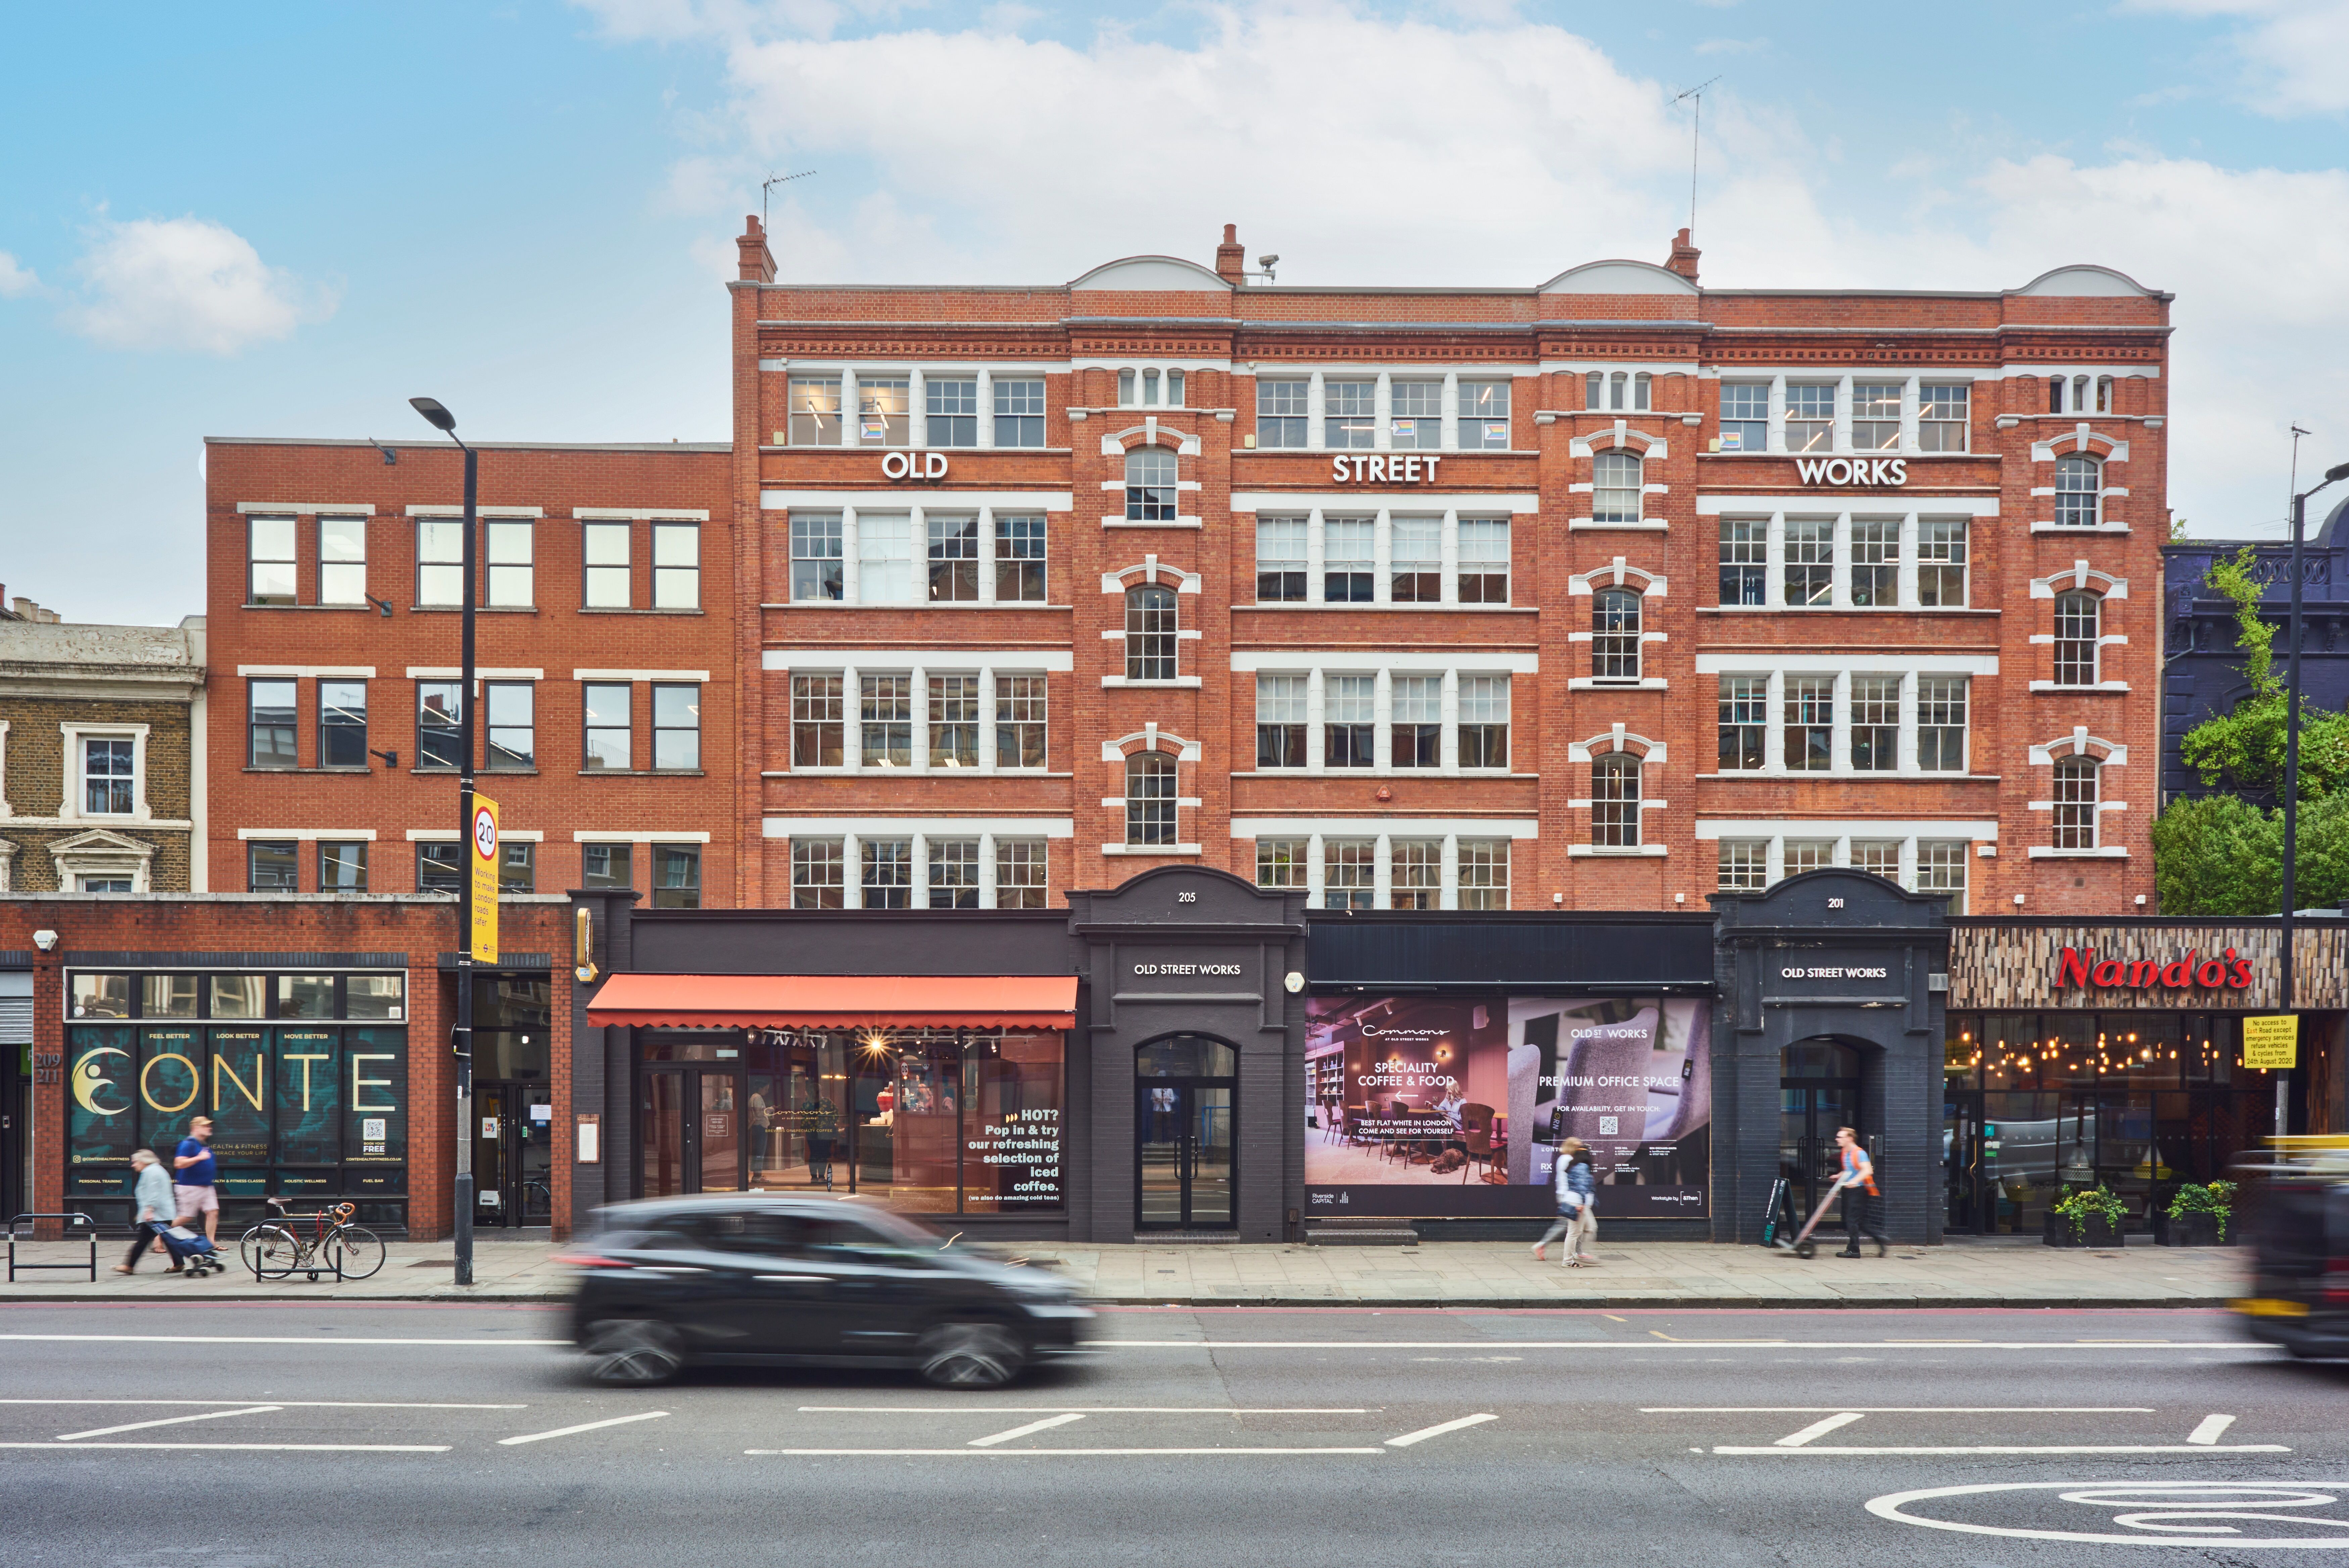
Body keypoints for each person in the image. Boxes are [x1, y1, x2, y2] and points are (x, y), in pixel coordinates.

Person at [1532, 1136, 1597, 1266]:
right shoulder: (1571, 1160)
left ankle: (1576, 1253)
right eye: (1578, 1146)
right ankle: (1562, 1254)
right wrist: (1580, 1202)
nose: (1580, 1148)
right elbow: (1579, 1183)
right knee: (1571, 1228)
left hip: (1570, 1196)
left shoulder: (1566, 1159)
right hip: (1572, 1197)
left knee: (1576, 1228)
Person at [115, 1149, 178, 1275]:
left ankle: (129, 1266)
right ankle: (179, 1263)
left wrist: (149, 1209)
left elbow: (153, 1192)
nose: (133, 1165)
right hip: (162, 1213)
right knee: (169, 1240)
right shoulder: (157, 1170)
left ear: (144, 1161)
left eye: (135, 1162)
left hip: (156, 1214)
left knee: (142, 1241)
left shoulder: (151, 1172)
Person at [1832, 1125, 1886, 1258]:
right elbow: (1852, 1169)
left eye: (1840, 1137)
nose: (1837, 1139)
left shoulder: (1859, 1153)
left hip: (1859, 1190)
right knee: (1858, 1221)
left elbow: (1868, 1170)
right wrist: (1840, 1175)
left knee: (1852, 1220)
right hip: (1850, 1189)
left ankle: (1854, 1250)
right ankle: (1879, 1238)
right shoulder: (1846, 1152)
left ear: (1850, 1139)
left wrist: (1855, 1181)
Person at [172, 1115, 219, 1245]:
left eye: (209, 1126)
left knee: (213, 1212)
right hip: (190, 1186)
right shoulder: (188, 1144)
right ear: (195, 1128)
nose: (209, 1128)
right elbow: (179, 1164)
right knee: (187, 1217)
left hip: (207, 1186)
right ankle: (159, 1237)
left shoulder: (203, 1144)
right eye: (205, 1126)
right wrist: (199, 1158)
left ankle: (211, 1243)